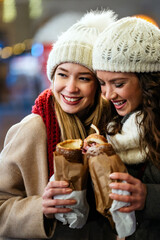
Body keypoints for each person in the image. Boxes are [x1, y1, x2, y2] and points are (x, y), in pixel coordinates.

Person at [0, 10, 118, 240]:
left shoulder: (112, 128)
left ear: (99, 84)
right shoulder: (34, 129)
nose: (70, 87)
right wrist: (40, 208)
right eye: (63, 75)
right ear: (52, 77)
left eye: (84, 78)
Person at [92, 16, 160, 240]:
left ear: (147, 80)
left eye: (119, 84)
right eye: (102, 83)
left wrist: (148, 197)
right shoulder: (110, 121)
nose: (109, 95)